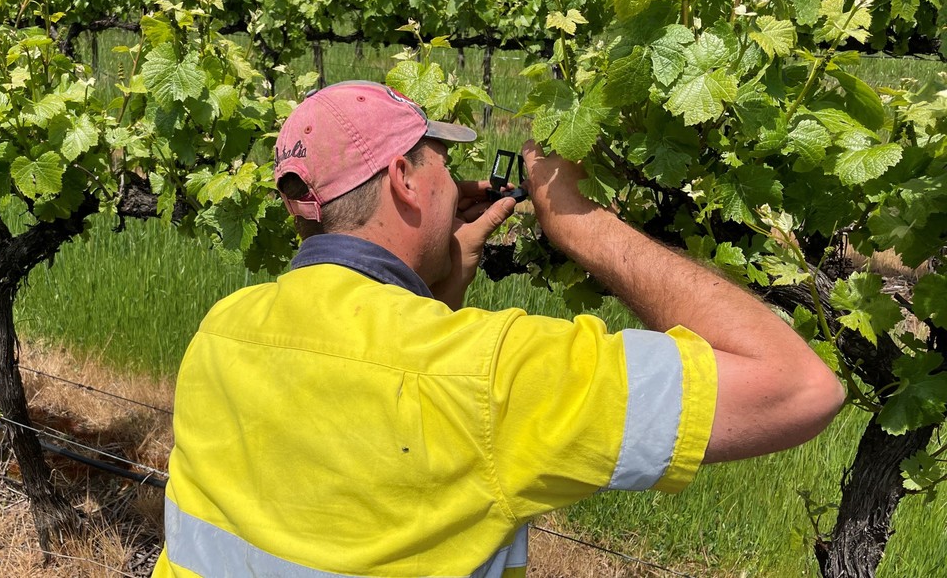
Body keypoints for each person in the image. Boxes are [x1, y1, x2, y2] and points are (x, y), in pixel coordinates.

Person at [150, 80, 844, 577]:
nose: (459, 186)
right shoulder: (489, 375)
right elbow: (798, 386)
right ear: (403, 178)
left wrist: (436, 285)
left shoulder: (223, 330)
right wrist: (578, 221)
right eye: (444, 165)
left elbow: (379, 417)